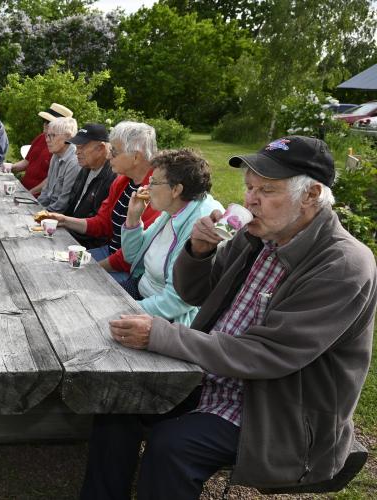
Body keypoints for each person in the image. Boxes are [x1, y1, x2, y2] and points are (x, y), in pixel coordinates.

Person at [82, 136, 377, 500]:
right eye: (249, 187)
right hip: (212, 375)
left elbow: (269, 353)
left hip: (272, 408)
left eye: (266, 190)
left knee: (172, 446)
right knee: (120, 402)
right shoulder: (259, 236)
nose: (251, 199)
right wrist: (199, 251)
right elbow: (194, 292)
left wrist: (163, 335)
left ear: (312, 195)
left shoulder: (343, 264)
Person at [120, 148, 223, 325]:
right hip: (140, 290)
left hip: (165, 317)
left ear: (176, 190)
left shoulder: (200, 226)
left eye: (153, 182)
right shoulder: (173, 210)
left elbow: (176, 301)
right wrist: (133, 217)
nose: (146, 188)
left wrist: (126, 309)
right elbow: (131, 256)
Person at [52, 121, 161, 283]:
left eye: (115, 152)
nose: (109, 155)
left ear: (136, 157)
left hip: (130, 271)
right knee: (55, 267)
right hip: (109, 254)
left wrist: (92, 267)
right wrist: (65, 221)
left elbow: (131, 255)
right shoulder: (122, 181)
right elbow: (102, 223)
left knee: (69, 278)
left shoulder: (156, 192)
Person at [3, 103, 73, 196]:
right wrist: (11, 166)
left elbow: (51, 178)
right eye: (44, 121)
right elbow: (27, 162)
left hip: (38, 197)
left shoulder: (60, 148)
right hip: (22, 189)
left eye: (48, 122)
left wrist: (30, 193)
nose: (44, 124)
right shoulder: (40, 137)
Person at [37, 116, 80, 212]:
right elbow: (46, 191)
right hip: (48, 211)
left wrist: (39, 214)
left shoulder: (74, 161)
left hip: (59, 218)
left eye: (52, 135)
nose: (47, 140)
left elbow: (63, 204)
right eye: (47, 135)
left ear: (68, 137)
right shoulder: (56, 155)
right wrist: (35, 207)